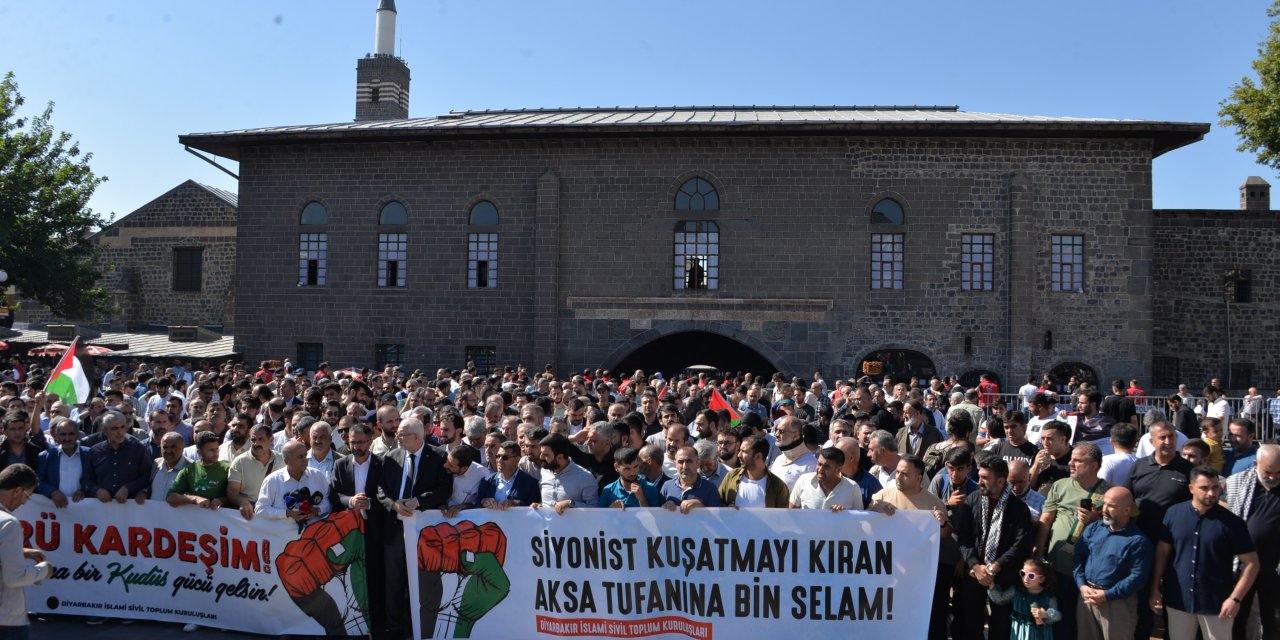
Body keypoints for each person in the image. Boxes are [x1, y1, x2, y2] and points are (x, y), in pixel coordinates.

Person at [1150, 466, 1260, 640]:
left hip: (1218, 603)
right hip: (1178, 600)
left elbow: (1252, 563)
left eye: (1215, 487)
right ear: (1191, 488)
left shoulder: (1233, 523)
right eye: (1204, 488)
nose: (1211, 493)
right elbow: (1162, 552)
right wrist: (1155, 588)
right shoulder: (1173, 514)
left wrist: (1235, 599)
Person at [373, 418, 451, 639]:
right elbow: (381, 489)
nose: (397, 437)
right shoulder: (391, 457)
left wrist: (419, 501)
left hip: (425, 532)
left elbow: (444, 489)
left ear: (417, 437)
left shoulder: (438, 457)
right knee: (394, 582)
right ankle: (394, 627)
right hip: (395, 529)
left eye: (402, 434)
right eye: (397, 433)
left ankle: (421, 628)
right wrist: (393, 504)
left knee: (423, 582)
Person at [867, 454, 951, 640]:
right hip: (886, 573)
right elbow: (864, 525)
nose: (898, 477)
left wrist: (943, 524)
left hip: (917, 578)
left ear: (919, 478)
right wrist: (874, 512)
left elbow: (945, 535)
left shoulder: (933, 503)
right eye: (897, 472)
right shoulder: (882, 497)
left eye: (904, 474)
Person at [1125, 420, 1193, 640]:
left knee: (1173, 597)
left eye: (1171, 436)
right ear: (1151, 440)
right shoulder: (1139, 466)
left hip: (1175, 547)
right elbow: (1128, 498)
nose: (1168, 441)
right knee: (1143, 597)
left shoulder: (1188, 470)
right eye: (1162, 437)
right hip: (1142, 543)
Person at [954, 455, 1034, 640]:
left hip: (1004, 577)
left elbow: (1020, 544)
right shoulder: (972, 500)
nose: (979, 481)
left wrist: (994, 568)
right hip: (974, 574)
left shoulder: (1018, 509)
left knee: (1000, 628)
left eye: (985, 478)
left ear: (1000, 481)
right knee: (969, 625)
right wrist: (975, 566)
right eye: (979, 476)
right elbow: (964, 536)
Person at [1035, 441, 1109, 640]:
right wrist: (1040, 551)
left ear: (1093, 465)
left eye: (1077, 460)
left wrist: (1095, 519)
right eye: (1071, 459)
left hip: (1088, 573)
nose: (1070, 463)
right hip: (1056, 566)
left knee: (1081, 624)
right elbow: (1046, 519)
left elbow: (1119, 528)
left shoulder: (1109, 493)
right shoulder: (1060, 485)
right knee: (1057, 617)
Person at [1072, 487, 1152, 640]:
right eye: (1105, 504)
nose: (1105, 510)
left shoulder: (1138, 541)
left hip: (1117, 604)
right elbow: (1078, 557)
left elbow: (1138, 576)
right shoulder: (1094, 528)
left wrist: (1107, 595)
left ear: (1127, 510)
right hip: (1086, 596)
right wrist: (1082, 585)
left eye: (1111, 506)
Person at [1223, 443, 1280, 640]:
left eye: (1278, 472)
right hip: (1242, 567)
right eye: (1268, 472)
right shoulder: (1237, 482)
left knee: (1273, 619)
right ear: (1256, 464)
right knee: (1238, 618)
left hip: (1273, 569)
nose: (1273, 477)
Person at [0, 464, 53, 639]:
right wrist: (44, 570)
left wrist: (20, 551)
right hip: (6, 618)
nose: (24, 502)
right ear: (17, 491)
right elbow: (14, 578)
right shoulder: (9, 523)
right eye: (27, 496)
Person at [988, 558, 1062, 640]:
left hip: (1040, 636)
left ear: (1041, 579)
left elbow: (1058, 616)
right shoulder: (1017, 591)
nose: (1025, 578)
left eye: (1031, 576)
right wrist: (990, 583)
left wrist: (1046, 614)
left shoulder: (1048, 596)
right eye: (1023, 573)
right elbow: (1000, 599)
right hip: (1019, 635)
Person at [87, 411, 153, 503]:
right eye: (115, 429)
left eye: (122, 427)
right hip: (102, 508)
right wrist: (97, 490)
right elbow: (87, 480)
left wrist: (128, 488)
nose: (120, 432)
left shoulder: (138, 449)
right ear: (105, 430)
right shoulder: (95, 451)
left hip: (131, 507)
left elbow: (147, 476)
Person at [227, 424, 284, 520]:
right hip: (249, 514)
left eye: (261, 439)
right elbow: (232, 492)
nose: (256, 444)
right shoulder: (239, 462)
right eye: (253, 440)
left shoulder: (282, 459)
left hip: (276, 512)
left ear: (271, 440)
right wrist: (242, 501)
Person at [532, 433, 598, 513]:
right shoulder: (544, 471)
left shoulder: (585, 477)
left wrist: (571, 504)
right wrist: (539, 506)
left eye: (546, 455)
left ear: (560, 457)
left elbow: (594, 509)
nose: (541, 457)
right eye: (541, 453)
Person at [719, 434, 789, 508]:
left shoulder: (778, 487)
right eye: (740, 450)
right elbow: (718, 505)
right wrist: (727, 509)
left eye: (744, 452)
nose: (739, 455)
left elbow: (782, 517)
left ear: (758, 456)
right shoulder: (731, 477)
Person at [166, 431, 229, 510]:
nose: (216, 453)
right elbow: (170, 497)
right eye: (211, 450)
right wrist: (195, 499)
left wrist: (221, 500)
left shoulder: (227, 469)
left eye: (217, 449)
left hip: (220, 520)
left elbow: (236, 495)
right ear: (199, 452)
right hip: (194, 520)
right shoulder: (188, 470)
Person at [35, 417, 90, 508]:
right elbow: (38, 482)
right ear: (56, 436)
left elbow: (94, 479)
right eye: (63, 434)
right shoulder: (46, 456)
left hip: (82, 509)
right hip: (55, 509)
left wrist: (84, 491)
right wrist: (52, 492)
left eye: (71, 434)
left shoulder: (89, 454)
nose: (67, 438)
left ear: (78, 435)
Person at [788, 446, 861, 511]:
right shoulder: (803, 480)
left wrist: (844, 515)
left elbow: (859, 519)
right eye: (819, 464)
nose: (820, 470)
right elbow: (791, 511)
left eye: (826, 467)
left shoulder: (853, 488)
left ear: (839, 469)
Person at [477, 441, 539, 508]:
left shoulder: (530, 483)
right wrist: (483, 502)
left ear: (517, 459)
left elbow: (534, 509)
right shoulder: (487, 481)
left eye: (505, 457)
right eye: (498, 456)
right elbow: (476, 506)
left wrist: (516, 503)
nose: (499, 461)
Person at [661, 445, 722, 512]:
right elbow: (657, 515)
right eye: (680, 462)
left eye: (689, 461)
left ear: (698, 463)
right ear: (675, 463)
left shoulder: (710, 488)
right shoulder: (667, 486)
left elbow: (719, 518)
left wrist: (702, 507)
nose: (685, 467)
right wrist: (664, 507)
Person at [768, 416, 816, 490]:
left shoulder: (811, 464)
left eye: (781, 431)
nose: (776, 434)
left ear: (796, 436)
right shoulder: (778, 459)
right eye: (776, 430)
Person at [1098, 423, 1138, 487]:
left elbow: (1101, 487)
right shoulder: (1142, 463)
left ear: (1111, 442)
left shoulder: (1106, 461)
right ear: (1135, 441)